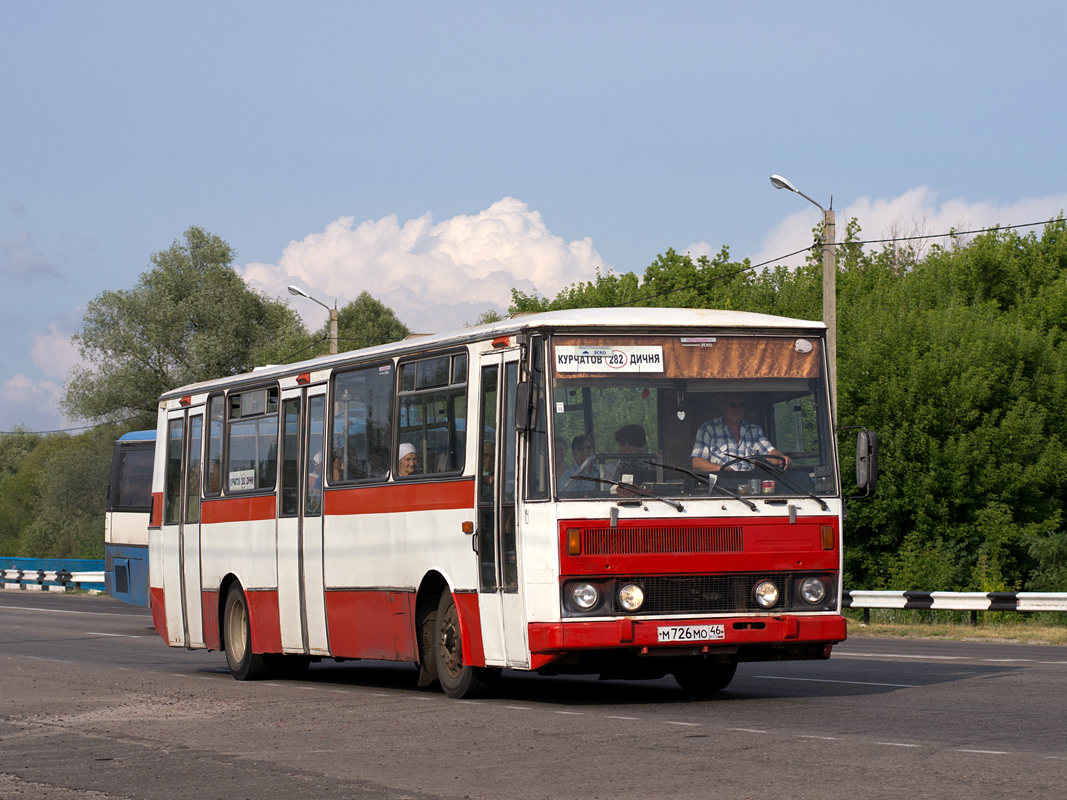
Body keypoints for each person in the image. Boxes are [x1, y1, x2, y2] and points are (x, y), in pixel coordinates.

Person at [691, 394, 791, 473]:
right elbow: (697, 462)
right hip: (720, 485)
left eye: (741, 404)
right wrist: (721, 469)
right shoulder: (708, 429)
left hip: (750, 486)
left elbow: (770, 453)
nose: (738, 409)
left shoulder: (754, 430)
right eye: (733, 405)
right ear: (723, 407)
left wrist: (781, 458)